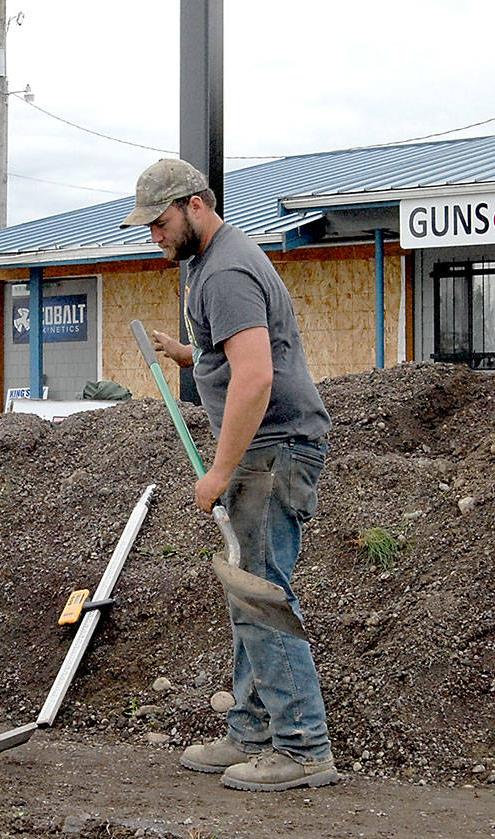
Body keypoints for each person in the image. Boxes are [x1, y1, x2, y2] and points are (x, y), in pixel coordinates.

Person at [122, 158, 339, 790]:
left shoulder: (228, 270)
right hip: (263, 449)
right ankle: (252, 732)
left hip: (272, 452)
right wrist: (188, 353)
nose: (153, 236)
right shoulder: (204, 266)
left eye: (159, 223)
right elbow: (235, 353)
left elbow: (256, 376)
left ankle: (303, 748)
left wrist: (219, 470)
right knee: (246, 593)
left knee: (260, 597)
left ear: (194, 205)